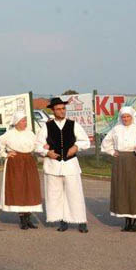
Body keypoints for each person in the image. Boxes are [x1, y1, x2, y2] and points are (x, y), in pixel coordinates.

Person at [35, 97, 91, 233]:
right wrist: (47, 152)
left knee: (75, 193)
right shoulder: (46, 127)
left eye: (63, 108)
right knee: (56, 194)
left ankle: (81, 221)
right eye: (58, 109)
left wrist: (76, 147)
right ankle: (62, 220)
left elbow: (85, 141)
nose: (62, 111)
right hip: (53, 165)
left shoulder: (73, 125)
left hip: (70, 164)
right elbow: (37, 145)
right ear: (53, 111)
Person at [0, 111, 42, 230]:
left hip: (28, 161)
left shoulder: (30, 133)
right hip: (15, 162)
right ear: (16, 122)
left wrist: (43, 148)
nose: (25, 123)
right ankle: (22, 219)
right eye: (23, 121)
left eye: (25, 120)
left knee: (30, 188)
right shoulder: (9, 134)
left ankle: (28, 217)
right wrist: (5, 154)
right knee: (19, 188)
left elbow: (37, 145)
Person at [100, 106, 136, 232]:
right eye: (123, 117)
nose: (125, 119)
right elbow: (106, 142)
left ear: (132, 117)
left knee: (135, 189)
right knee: (122, 189)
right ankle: (127, 220)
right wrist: (112, 151)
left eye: (128, 117)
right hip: (120, 161)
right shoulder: (116, 129)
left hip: (135, 159)